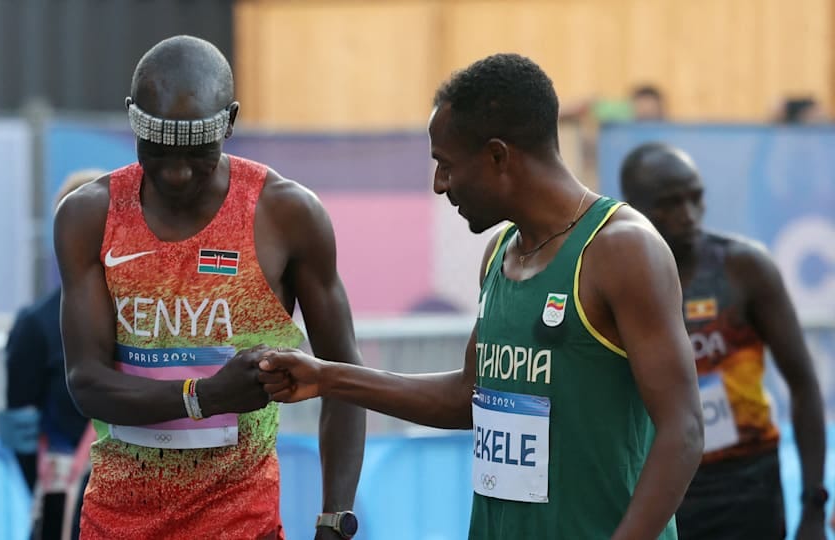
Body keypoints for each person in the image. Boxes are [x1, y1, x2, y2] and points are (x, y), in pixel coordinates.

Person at [259, 53, 703, 539]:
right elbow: (468, 397)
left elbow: (682, 431)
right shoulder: (499, 253)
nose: (438, 185)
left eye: (446, 166)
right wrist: (328, 377)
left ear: (497, 156)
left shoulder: (622, 250)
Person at [53, 35, 365, 540]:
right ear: (131, 119)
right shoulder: (90, 216)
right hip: (117, 524)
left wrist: (334, 521)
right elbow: (87, 384)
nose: (176, 173)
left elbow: (344, 379)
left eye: (197, 152)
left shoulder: (285, 214)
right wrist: (206, 396)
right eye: (156, 150)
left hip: (243, 524)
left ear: (231, 121)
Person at [619, 142, 827, 540]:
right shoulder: (617, 280)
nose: (689, 215)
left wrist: (814, 505)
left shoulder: (745, 268)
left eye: (696, 197)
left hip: (747, 486)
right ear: (634, 206)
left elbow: (803, 385)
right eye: (669, 203)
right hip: (659, 486)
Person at [0, 168, 104, 540]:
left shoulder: (145, 320)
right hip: (61, 510)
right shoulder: (35, 324)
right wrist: (57, 487)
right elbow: (18, 429)